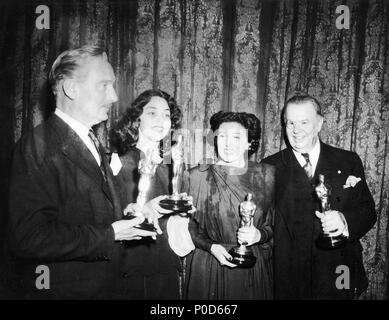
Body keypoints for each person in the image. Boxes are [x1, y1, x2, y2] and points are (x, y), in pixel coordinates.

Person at [8, 46, 156, 299]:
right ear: (71, 88)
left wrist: (127, 212)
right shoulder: (38, 145)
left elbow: (86, 209)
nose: (113, 96)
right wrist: (110, 235)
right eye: (104, 85)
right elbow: (29, 237)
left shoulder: (90, 139)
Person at [262, 95, 377, 299]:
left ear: (319, 123)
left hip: (340, 271)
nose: (296, 130)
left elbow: (367, 211)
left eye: (304, 122)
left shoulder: (347, 160)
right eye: (290, 123)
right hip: (289, 276)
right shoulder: (269, 167)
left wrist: (344, 220)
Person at [184, 111, 275, 299]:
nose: (227, 143)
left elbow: (273, 225)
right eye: (222, 136)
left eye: (236, 137)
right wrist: (211, 246)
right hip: (210, 264)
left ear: (249, 142)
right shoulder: (196, 176)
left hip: (251, 266)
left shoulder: (267, 175)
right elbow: (189, 226)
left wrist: (259, 234)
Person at [110, 89, 184, 299]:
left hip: (165, 265)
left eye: (167, 114)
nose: (161, 119)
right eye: (152, 113)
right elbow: (109, 216)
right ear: (136, 119)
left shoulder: (170, 166)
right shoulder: (120, 160)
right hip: (131, 266)